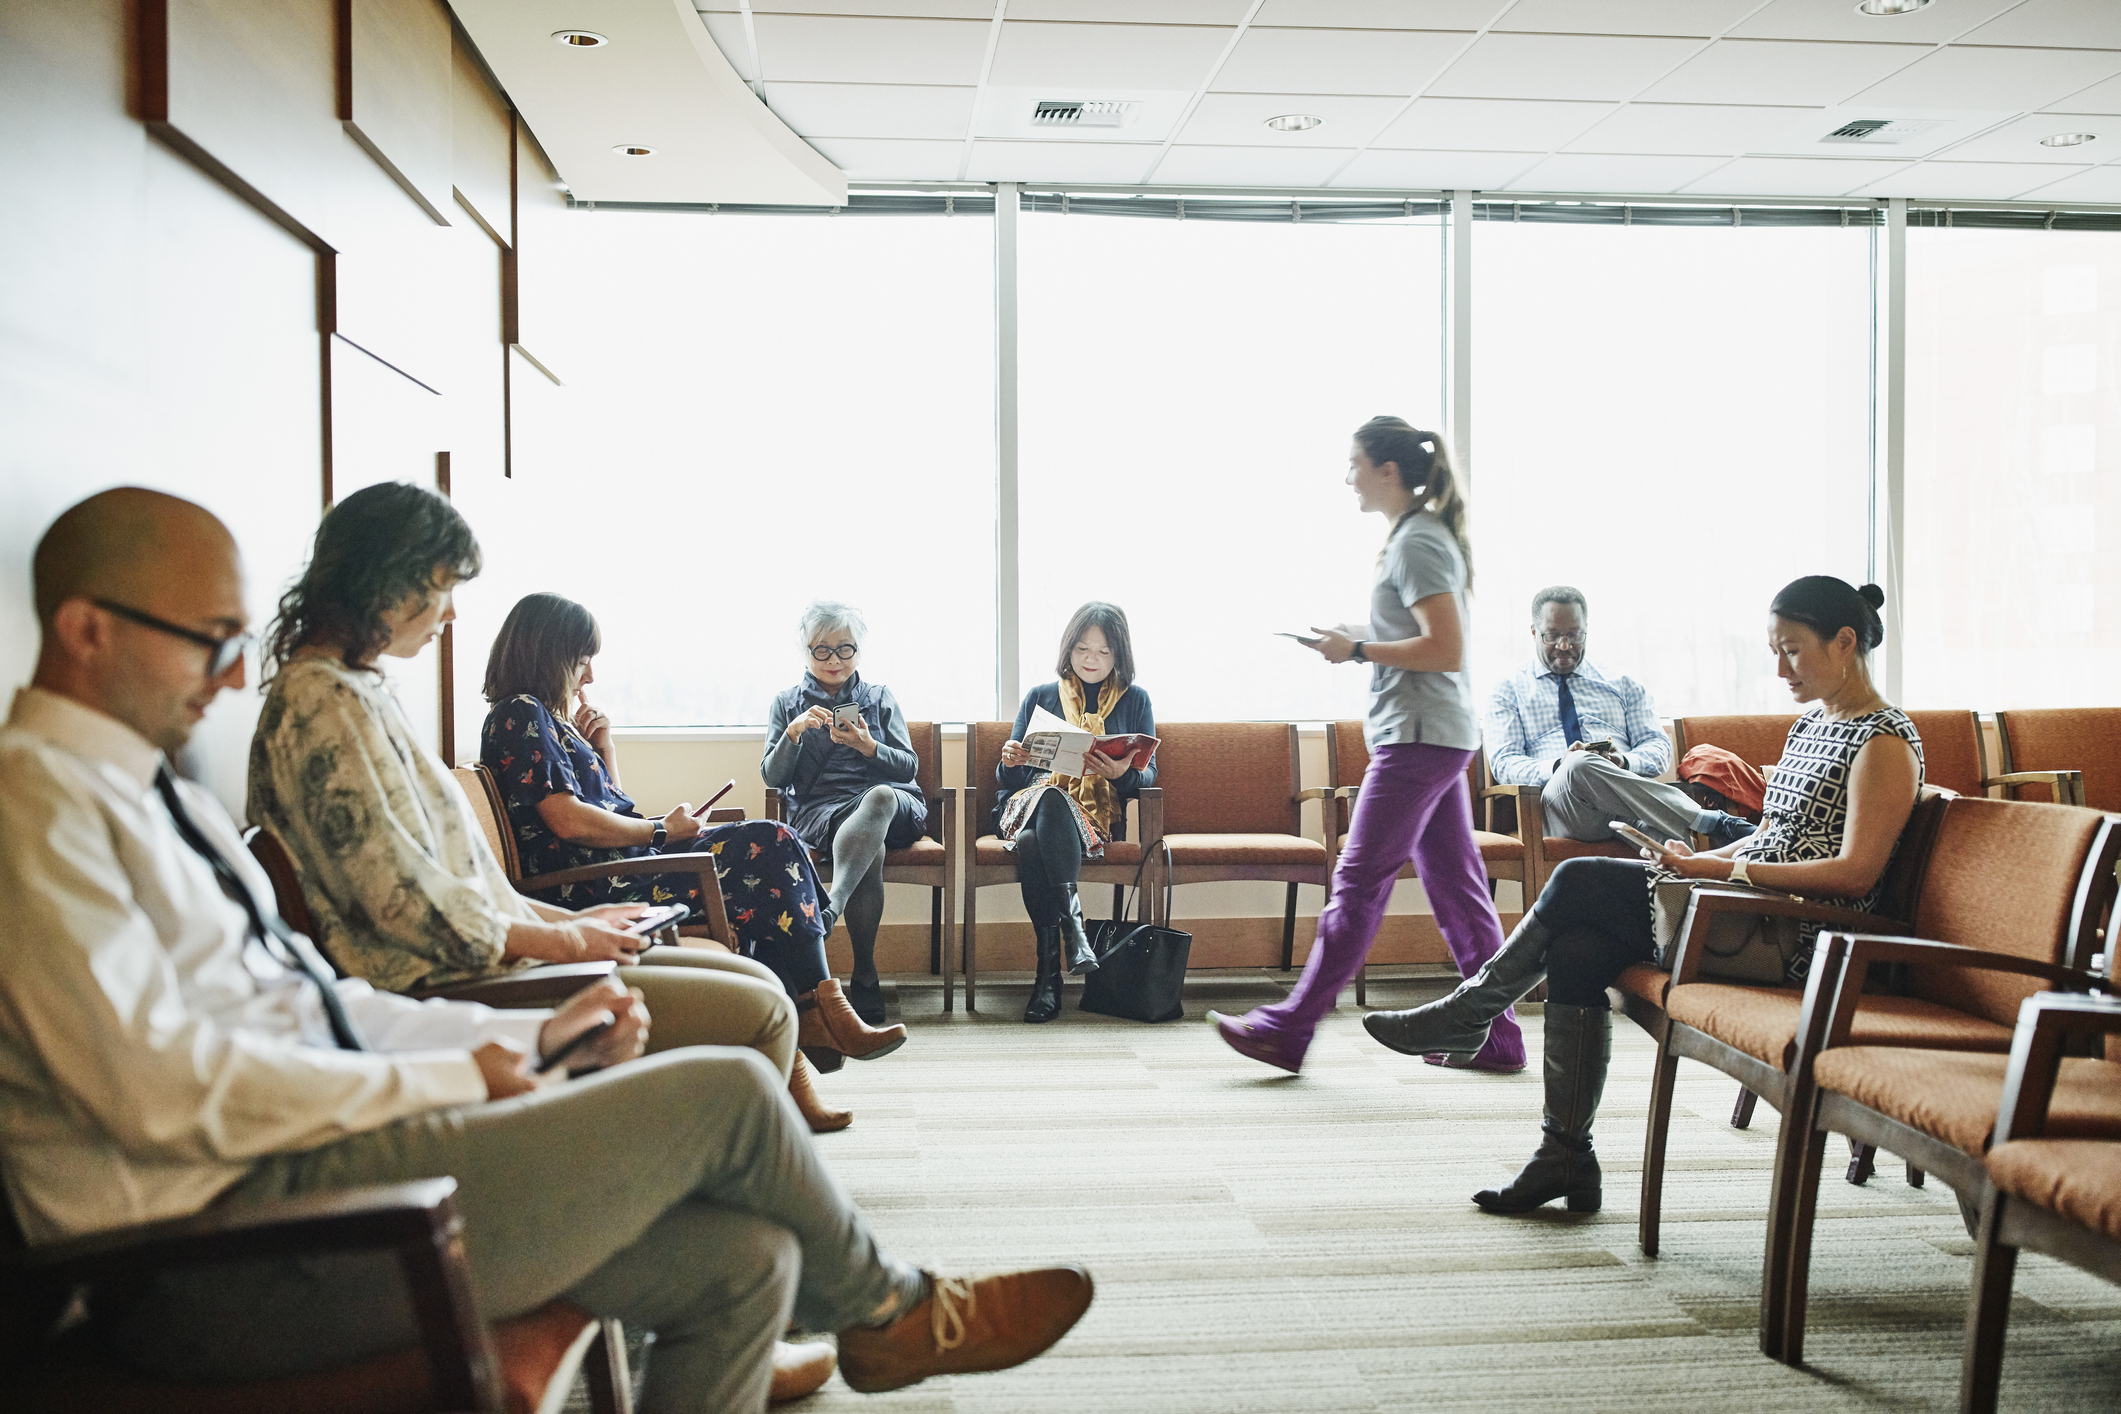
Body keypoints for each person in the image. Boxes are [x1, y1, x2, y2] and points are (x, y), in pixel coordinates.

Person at [0, 487, 1095, 1413]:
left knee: (744, 1263)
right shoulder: (34, 814)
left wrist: (502, 1037)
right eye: (209, 640)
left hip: (308, 1157)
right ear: (90, 629)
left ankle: (882, 1312)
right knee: (726, 1098)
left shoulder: (151, 797)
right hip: (221, 1243)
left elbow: (320, 1001)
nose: (234, 678)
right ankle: (897, 1309)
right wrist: (451, 1065)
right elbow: (152, 1092)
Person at [245, 485, 876, 1135]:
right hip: (455, 977)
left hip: (505, 938)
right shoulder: (325, 707)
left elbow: (461, 884)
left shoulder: (356, 696)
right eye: (441, 587)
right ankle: (800, 1038)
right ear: (384, 582)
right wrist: (565, 934)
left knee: (760, 965)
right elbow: (405, 902)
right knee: (760, 976)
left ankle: (807, 1023)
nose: (452, 613)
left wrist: (557, 919)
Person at [1365, 577, 1922, 1215]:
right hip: (1742, 909)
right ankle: (1563, 1154)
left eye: (1791, 650)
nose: (1778, 668)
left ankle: (1471, 1014)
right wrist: (1702, 860)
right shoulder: (1813, 727)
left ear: (1844, 642)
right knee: (1576, 950)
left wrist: (1732, 876)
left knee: (1575, 882)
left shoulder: (1882, 741)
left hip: (1794, 939)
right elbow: (1772, 837)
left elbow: (1855, 875)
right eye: (1775, 650)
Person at [479, 592, 902, 1124]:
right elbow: (568, 821)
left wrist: (604, 750)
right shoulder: (520, 715)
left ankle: (809, 1039)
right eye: (582, 662)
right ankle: (819, 1014)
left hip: (615, 867)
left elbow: (608, 804)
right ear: (548, 656)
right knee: (769, 845)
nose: (587, 678)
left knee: (767, 861)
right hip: (588, 887)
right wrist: (661, 830)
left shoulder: (549, 721)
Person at [1208, 417, 1526, 1075]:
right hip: (1433, 736)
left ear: (1387, 470)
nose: (1347, 476)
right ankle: (1497, 1036)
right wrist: (1352, 635)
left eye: (1354, 463)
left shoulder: (1416, 543)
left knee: (1356, 883)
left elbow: (1444, 648)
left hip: (1417, 740)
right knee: (1459, 894)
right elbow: (1417, 633)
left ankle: (1287, 1029)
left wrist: (1356, 650)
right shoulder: (1415, 537)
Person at [1485, 585, 1753, 849]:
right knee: (1578, 765)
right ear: (1534, 632)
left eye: (1574, 635)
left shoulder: (1623, 684)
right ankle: (1709, 821)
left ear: (1587, 629)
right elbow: (1505, 764)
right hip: (1563, 809)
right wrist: (1559, 765)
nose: (1564, 645)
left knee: (1670, 840)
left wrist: (1622, 760)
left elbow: (1658, 749)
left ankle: (1691, 893)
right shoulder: (1509, 689)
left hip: (1629, 804)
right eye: (1552, 635)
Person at [762, 603, 927, 1027]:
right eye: (822, 651)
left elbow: (909, 767)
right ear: (805, 651)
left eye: (845, 649)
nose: (834, 660)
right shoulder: (786, 703)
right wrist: (793, 733)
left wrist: (868, 746)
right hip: (824, 813)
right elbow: (772, 776)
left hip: (892, 806)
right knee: (864, 844)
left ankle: (832, 904)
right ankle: (865, 975)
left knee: (880, 800)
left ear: (859, 650)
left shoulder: (878, 697)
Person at [995, 602, 1158, 1023]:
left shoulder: (1135, 700)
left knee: (1033, 845)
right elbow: (1008, 776)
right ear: (1068, 649)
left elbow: (1148, 773)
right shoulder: (1040, 697)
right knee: (1049, 797)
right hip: (1026, 806)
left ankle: (1047, 974)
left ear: (1119, 655)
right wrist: (1010, 760)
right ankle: (1076, 931)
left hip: (1089, 820)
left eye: (1104, 652)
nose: (1091, 660)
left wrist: (1123, 773)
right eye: (1083, 649)